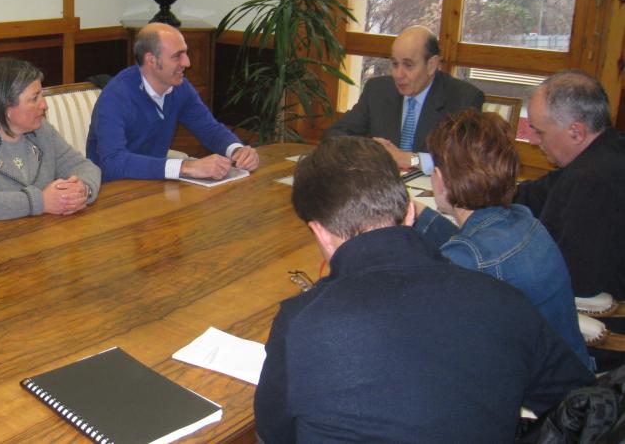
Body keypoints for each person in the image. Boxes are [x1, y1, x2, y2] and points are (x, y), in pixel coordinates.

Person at [254, 136, 593, 442]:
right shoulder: (504, 301)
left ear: (320, 233)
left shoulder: (300, 321)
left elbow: (275, 433)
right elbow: (580, 403)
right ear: (411, 214)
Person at [412, 109, 590, 369]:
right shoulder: (523, 219)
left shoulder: (469, 261)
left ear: (438, 180)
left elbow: (422, 330)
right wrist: (417, 213)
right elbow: (474, 247)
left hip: (541, 403)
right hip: (571, 379)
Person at [85, 22, 258, 182]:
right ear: (151, 60)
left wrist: (237, 151)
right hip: (112, 193)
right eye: (177, 56)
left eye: (186, 53)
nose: (187, 63)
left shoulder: (179, 87)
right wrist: (186, 167)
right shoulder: (116, 96)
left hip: (154, 186)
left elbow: (209, 129)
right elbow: (112, 163)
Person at [0, 58, 101, 223]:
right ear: (6, 105)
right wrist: (40, 202)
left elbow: (84, 166)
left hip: (32, 234)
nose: (44, 105)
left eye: (41, 95)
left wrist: (83, 189)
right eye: (34, 98)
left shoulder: (42, 130)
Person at [514, 71, 625, 299]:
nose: (533, 141)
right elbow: (529, 195)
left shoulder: (593, 179)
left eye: (539, 132)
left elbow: (577, 279)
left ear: (576, 132)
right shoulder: (603, 149)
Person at [323, 26, 484, 173]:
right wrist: (371, 150)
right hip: (381, 189)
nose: (398, 74)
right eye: (394, 64)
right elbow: (334, 135)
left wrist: (412, 159)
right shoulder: (377, 90)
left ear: (432, 65)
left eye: (408, 65)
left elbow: (465, 160)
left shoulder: (463, 98)